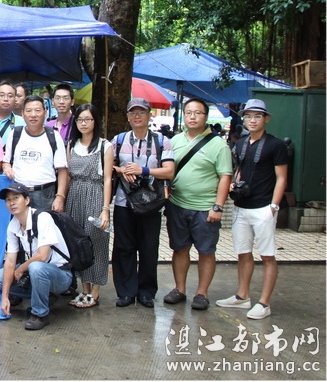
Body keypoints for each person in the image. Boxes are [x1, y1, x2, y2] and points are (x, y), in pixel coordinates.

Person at [215, 99, 287, 320]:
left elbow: (281, 177)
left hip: (264, 206)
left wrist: (273, 206)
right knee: (243, 253)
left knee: (267, 255)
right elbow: (239, 170)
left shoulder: (276, 145)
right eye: (248, 116)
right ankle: (242, 296)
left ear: (266, 118)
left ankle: (264, 303)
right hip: (241, 206)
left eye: (257, 116)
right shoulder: (240, 144)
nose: (252, 120)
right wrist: (234, 185)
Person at [163, 99, 232, 311]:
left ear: (206, 116)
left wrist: (218, 206)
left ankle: (202, 293)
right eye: (189, 113)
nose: (192, 117)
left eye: (198, 113)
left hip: (205, 208)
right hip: (177, 204)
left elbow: (225, 176)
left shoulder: (219, 145)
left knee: (206, 251)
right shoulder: (174, 141)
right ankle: (180, 289)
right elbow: (166, 169)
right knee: (180, 248)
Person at [111, 98, 175, 308]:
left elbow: (169, 171)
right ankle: (126, 292)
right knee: (123, 247)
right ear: (128, 117)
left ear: (149, 115)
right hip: (124, 201)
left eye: (141, 112)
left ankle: (146, 292)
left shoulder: (161, 141)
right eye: (133, 113)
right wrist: (123, 170)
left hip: (151, 203)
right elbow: (108, 166)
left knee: (149, 248)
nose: (137, 116)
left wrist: (143, 171)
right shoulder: (119, 140)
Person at [0, 183, 73, 331]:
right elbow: (10, 261)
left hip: (60, 274)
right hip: (34, 272)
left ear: (27, 200)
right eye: (8, 200)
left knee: (36, 267)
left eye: (16, 198)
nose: (12, 203)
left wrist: (21, 269)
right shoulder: (13, 225)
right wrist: (4, 298)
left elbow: (42, 255)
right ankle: (46, 296)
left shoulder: (43, 218)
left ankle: (40, 314)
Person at [65, 104, 114, 308]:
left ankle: (95, 291)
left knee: (97, 241)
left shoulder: (105, 146)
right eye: (80, 120)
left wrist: (105, 210)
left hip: (95, 195)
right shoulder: (71, 144)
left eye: (88, 119)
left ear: (95, 121)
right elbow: (68, 176)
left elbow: (108, 179)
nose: (83, 123)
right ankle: (84, 290)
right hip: (74, 196)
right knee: (78, 244)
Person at [2, 95, 67, 211]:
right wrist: (6, 167)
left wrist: (60, 197)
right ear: (23, 114)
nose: (33, 115)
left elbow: (62, 170)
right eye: (29, 111)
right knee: (18, 223)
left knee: (44, 222)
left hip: (45, 194)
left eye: (37, 110)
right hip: (18, 192)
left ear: (45, 113)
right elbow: (6, 161)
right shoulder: (15, 134)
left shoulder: (54, 136)